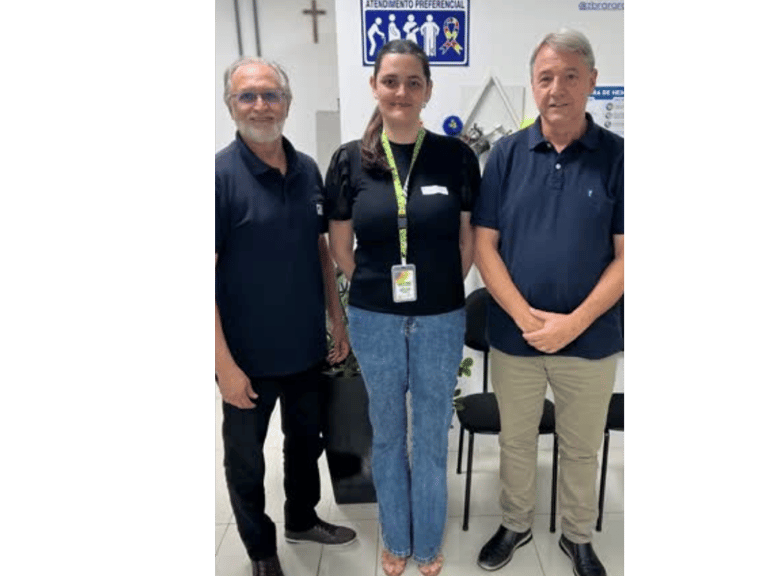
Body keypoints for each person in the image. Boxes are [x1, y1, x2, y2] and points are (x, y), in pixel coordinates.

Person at [325, 39, 480, 576]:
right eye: (390, 81)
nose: (401, 92)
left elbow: (467, 239)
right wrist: (371, 287)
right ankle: (395, 537)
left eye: (414, 82)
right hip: (375, 321)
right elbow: (340, 243)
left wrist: (441, 287)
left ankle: (428, 544)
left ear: (428, 90)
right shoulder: (349, 160)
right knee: (389, 435)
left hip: (440, 319)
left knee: (431, 437)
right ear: (375, 86)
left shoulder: (456, 157)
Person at [472, 30, 624, 576]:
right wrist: (524, 316)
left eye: (569, 76)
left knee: (581, 446)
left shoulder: (619, 157)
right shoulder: (506, 155)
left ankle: (577, 536)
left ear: (591, 82)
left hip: (591, 337)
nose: (556, 88)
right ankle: (516, 523)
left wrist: (573, 323)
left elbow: (629, 256)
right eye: (545, 77)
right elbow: (484, 246)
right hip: (516, 336)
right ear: (533, 85)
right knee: (516, 441)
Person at [215, 56, 357, 576]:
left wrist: (336, 320)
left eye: (270, 94)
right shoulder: (218, 178)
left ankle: (301, 518)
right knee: (246, 461)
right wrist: (224, 366)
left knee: (306, 445)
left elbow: (320, 251)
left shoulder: (307, 171)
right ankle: (260, 550)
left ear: (287, 103)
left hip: (304, 348)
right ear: (230, 105)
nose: (260, 105)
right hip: (245, 358)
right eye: (247, 95)